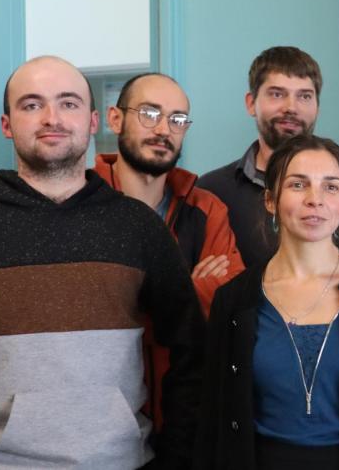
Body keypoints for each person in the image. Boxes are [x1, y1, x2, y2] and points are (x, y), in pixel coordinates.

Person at [0, 56, 203, 469]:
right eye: (32, 105)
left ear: (93, 120)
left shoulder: (137, 228)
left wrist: (176, 459)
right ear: (7, 124)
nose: (53, 118)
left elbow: (194, 351)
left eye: (69, 103)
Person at [194, 136, 339, 469]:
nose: (315, 199)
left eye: (330, 187)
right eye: (298, 185)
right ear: (271, 200)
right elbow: (212, 422)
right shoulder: (233, 300)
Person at [93, 72, 245, 433]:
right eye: (149, 113)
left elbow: (233, 304)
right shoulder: (81, 205)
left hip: (185, 418)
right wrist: (187, 289)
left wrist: (140, 298)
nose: (164, 129)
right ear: (116, 118)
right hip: (101, 424)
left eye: (177, 119)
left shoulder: (207, 208)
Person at [198, 46, 339, 267]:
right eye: (277, 94)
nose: (291, 107)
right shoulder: (211, 191)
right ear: (251, 103)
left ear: (317, 106)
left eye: (304, 96)